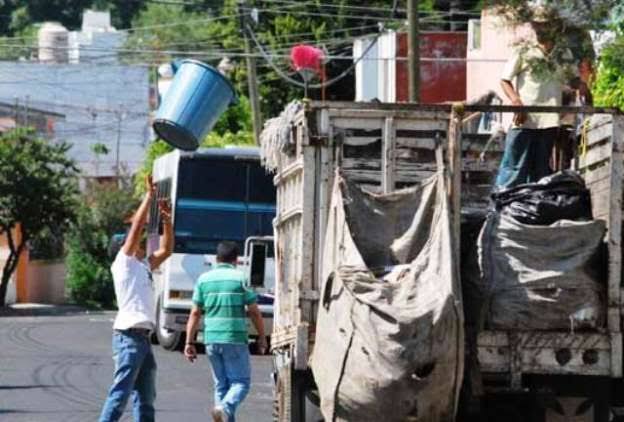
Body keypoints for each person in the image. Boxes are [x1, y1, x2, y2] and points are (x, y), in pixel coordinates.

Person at [99, 176, 173, 422]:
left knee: (145, 397)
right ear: (123, 248)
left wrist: (167, 219)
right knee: (120, 394)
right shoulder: (124, 264)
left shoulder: (143, 265)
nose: (140, 243)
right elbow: (136, 229)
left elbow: (167, 250)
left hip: (142, 338)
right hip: (128, 336)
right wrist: (149, 198)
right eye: (133, 242)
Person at [495, 6, 578, 189]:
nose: (540, 29)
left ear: (554, 27)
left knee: (540, 171)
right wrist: (516, 101)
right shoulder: (524, 51)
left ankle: (533, 209)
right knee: (513, 168)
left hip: (549, 121)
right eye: (537, 25)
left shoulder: (563, 53)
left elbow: (574, 79)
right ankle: (499, 208)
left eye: (545, 25)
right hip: (524, 120)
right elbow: (505, 80)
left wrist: (583, 86)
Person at [184, 241, 267, 422]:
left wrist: (189, 342)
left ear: (216, 258)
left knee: (221, 385)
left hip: (211, 339)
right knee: (240, 383)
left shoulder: (203, 280)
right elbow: (253, 311)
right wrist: (262, 337)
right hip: (234, 338)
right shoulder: (240, 278)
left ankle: (222, 411)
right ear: (236, 260)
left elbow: (195, 313)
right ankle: (225, 407)